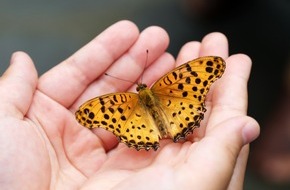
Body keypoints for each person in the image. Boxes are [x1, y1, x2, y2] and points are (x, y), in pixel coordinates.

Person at [0, 20, 259, 189]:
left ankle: (158, 133)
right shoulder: (167, 83)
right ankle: (176, 128)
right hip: (180, 111)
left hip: (140, 127)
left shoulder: (118, 102)